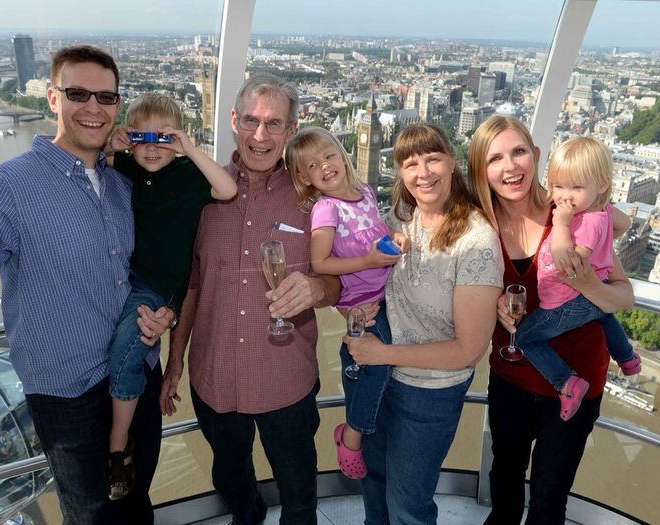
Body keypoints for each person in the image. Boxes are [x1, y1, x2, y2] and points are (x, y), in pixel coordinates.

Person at [0, 45, 174, 525]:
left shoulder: (123, 185)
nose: (94, 108)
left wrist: (165, 314)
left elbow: (144, 273)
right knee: (92, 513)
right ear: (53, 99)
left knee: (138, 497)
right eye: (79, 94)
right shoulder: (9, 187)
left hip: (137, 367)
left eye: (106, 97)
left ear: (118, 105)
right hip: (68, 392)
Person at [160, 74, 341, 525]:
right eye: (253, 122)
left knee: (299, 494)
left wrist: (318, 289)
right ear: (234, 121)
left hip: (286, 378)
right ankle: (249, 515)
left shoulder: (315, 200)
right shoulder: (198, 193)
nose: (261, 136)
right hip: (214, 375)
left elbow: (342, 280)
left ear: (292, 128)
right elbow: (193, 287)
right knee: (229, 479)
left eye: (275, 124)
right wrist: (175, 361)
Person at [467, 115, 635, 525]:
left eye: (519, 152)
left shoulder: (576, 214)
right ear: (481, 171)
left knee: (548, 499)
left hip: (580, 379)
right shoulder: (478, 227)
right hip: (511, 379)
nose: (510, 167)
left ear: (536, 156)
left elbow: (625, 296)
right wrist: (492, 305)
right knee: (503, 481)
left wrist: (590, 286)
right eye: (495, 159)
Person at [343, 123, 503, 524]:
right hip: (380, 382)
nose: (423, 172)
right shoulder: (399, 218)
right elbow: (367, 284)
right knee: (375, 485)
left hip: (429, 395)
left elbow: (469, 350)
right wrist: (359, 310)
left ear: (453, 162)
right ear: (400, 171)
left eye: (433, 158)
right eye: (411, 163)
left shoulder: (476, 240)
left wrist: (383, 353)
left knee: (408, 504)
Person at [102, 93, 237, 500]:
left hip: (160, 285)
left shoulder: (188, 174)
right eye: (143, 138)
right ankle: (121, 439)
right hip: (126, 277)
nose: (152, 148)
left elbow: (227, 189)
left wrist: (189, 148)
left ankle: (117, 445)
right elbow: (94, 158)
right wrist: (114, 142)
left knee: (127, 348)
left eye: (164, 138)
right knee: (128, 346)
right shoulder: (128, 165)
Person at [284, 126, 408, 480]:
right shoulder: (326, 209)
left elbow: (376, 232)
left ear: (342, 153)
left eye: (328, 156)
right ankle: (351, 435)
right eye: (311, 166)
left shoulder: (364, 192)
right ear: (303, 178)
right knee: (380, 364)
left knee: (373, 365)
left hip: (387, 295)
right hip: (361, 302)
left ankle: (356, 390)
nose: (324, 167)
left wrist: (393, 237)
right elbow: (320, 264)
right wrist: (368, 262)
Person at [512, 136, 639, 421]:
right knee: (603, 316)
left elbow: (565, 262)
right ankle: (627, 357)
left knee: (525, 339)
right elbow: (625, 223)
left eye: (576, 187)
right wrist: (600, 208)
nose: (565, 196)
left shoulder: (580, 221)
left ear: (602, 185)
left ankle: (566, 382)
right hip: (589, 298)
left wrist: (562, 222)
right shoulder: (598, 213)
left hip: (563, 303)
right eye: (559, 186)